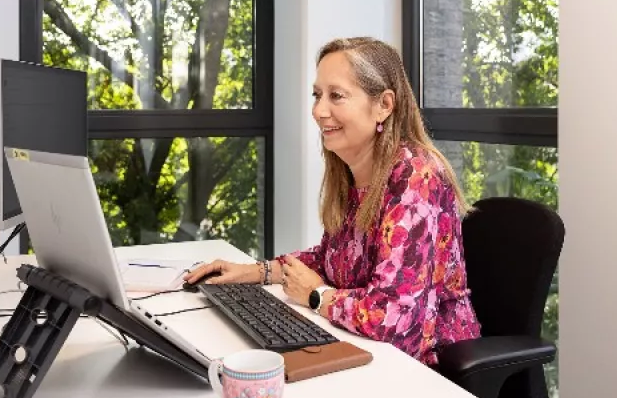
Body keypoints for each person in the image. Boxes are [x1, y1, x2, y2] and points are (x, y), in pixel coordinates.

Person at [184, 37, 481, 366]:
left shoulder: (416, 178)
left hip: (428, 372)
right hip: (370, 351)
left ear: (384, 104)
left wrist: (317, 296)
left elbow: (391, 318)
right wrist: (254, 271)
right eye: (317, 95)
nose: (318, 110)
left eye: (336, 96)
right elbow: (330, 259)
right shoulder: (355, 172)